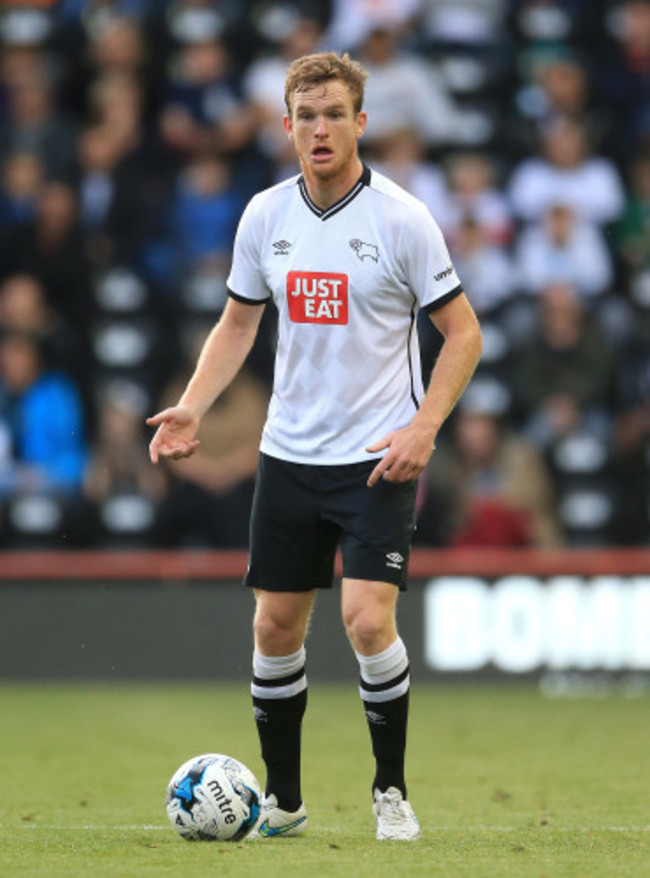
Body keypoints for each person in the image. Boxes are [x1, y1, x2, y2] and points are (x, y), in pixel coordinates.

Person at [147, 52, 482, 842]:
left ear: (360, 123)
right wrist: (193, 407)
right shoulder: (265, 215)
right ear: (286, 126)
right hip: (291, 455)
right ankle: (285, 803)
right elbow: (238, 324)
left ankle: (390, 793)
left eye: (335, 114)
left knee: (368, 623)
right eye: (307, 115)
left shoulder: (402, 219)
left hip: (377, 456)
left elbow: (463, 334)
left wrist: (423, 427)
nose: (320, 129)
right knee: (274, 629)